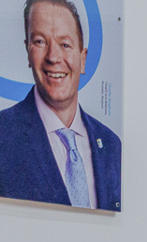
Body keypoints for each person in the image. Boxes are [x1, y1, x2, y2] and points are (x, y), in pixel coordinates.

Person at [0, 0, 120, 211]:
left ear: (83, 60)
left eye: (65, 44)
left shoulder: (112, 147)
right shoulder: (3, 136)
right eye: (40, 42)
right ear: (28, 51)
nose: (53, 57)